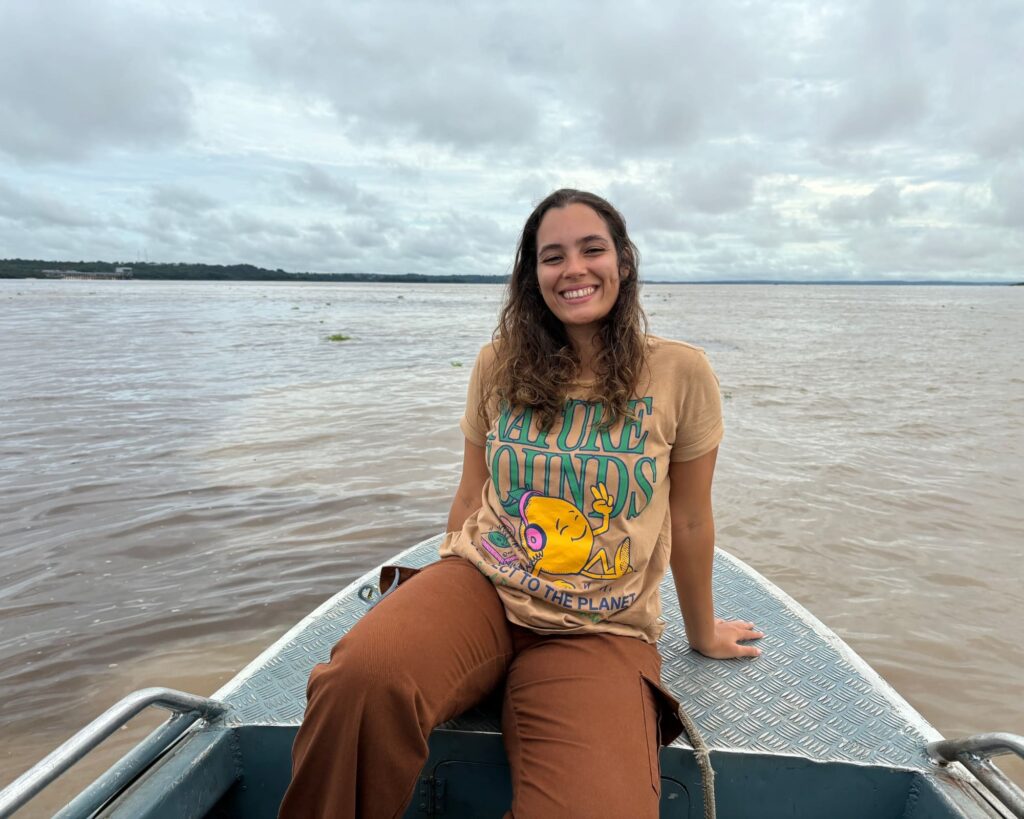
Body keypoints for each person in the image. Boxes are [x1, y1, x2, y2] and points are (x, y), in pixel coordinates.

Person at [278, 189, 764, 819]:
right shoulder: (497, 364)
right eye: (552, 256)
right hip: (482, 582)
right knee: (361, 679)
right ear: (532, 276)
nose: (574, 270)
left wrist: (702, 633)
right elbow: (470, 492)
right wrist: (437, 610)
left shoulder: (679, 372)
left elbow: (691, 518)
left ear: (623, 262)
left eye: (592, 249)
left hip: (599, 622)